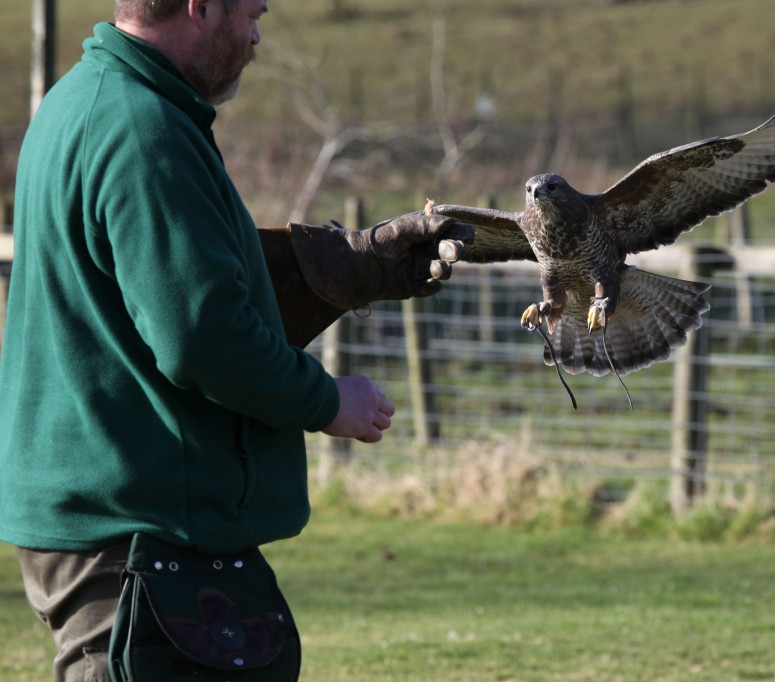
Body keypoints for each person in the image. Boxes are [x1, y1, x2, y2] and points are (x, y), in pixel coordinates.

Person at [0, 0, 472, 679]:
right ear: (200, 8)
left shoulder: (83, 101)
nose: (255, 37)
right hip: (137, 527)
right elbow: (198, 334)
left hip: (121, 518)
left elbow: (144, 286)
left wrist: (325, 270)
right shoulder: (142, 129)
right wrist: (324, 399)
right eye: (251, 14)